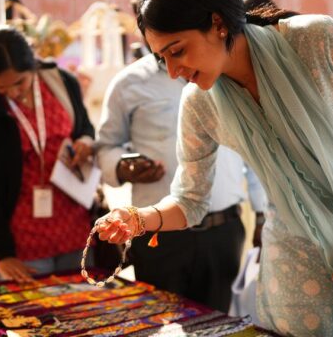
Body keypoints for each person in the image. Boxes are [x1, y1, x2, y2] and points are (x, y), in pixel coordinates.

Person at [95, 0, 333, 336]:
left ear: (218, 24)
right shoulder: (200, 104)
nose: (173, 71)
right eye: (162, 58)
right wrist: (138, 219)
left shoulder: (319, 42)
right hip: (297, 264)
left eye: (178, 51)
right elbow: (191, 201)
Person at [96, 34, 268, 312]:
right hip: (158, 234)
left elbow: (253, 149)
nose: (175, 69)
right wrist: (122, 166)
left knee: (219, 323)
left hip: (222, 230)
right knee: (160, 322)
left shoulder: (226, 73)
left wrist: (262, 213)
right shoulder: (128, 83)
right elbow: (105, 146)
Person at [0, 23, 95, 282]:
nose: (13, 92)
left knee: (82, 303)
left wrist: (85, 142)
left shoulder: (64, 84)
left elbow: (84, 127)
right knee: (29, 309)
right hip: (23, 242)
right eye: (2, 88)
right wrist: (0, 254)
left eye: (19, 82)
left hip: (75, 229)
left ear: (33, 65)